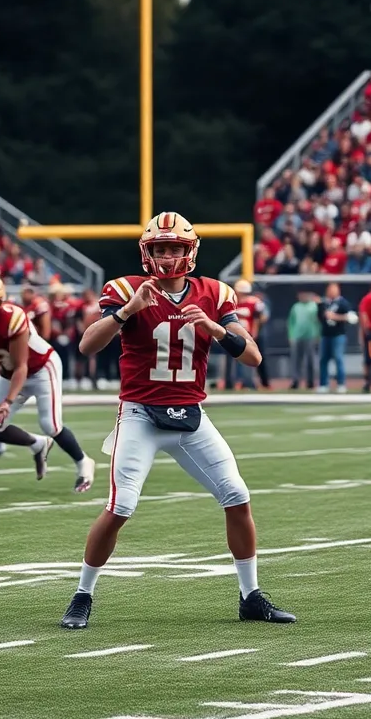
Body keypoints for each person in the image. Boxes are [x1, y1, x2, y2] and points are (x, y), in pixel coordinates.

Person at [58, 212, 294, 629]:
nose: (168, 256)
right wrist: (127, 312)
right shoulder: (126, 289)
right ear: (148, 252)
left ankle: (250, 596)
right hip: (140, 414)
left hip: (191, 415)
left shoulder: (214, 294)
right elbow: (87, 345)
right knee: (120, 506)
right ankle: (82, 595)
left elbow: (253, 357)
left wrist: (215, 330)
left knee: (237, 496)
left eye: (175, 248)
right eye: (161, 248)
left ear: (190, 251)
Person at [0, 271, 95, 492]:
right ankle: (37, 444)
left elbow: (22, 365)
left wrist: (7, 402)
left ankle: (84, 462)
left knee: (50, 424)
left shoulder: (12, 317)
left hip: (40, 367)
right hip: (8, 372)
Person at [227, 279, 266, 390]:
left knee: (248, 360)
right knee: (233, 361)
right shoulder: (231, 301)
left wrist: (254, 333)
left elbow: (258, 318)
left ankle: (248, 383)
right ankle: (231, 383)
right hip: (232, 334)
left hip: (247, 334)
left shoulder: (254, 302)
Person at [318, 282, 354, 393]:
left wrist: (335, 317)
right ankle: (323, 384)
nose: (331, 291)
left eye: (333, 289)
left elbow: (352, 318)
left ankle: (341, 383)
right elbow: (320, 317)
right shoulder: (324, 303)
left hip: (338, 335)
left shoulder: (343, 303)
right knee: (323, 360)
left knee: (338, 359)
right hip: (325, 335)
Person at [287, 290, 319, 390]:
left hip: (310, 336)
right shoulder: (296, 307)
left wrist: (318, 335)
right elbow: (291, 322)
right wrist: (291, 335)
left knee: (310, 360)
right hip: (297, 336)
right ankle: (295, 381)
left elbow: (318, 322)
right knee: (296, 360)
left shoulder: (314, 306)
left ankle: (310, 382)